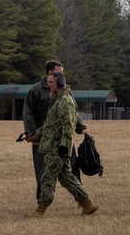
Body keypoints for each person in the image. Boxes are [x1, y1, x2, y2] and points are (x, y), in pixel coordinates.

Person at [31, 70, 99, 216]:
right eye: (48, 82)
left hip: (57, 148)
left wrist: (63, 145)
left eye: (51, 83)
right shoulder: (58, 99)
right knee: (66, 178)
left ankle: (41, 209)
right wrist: (36, 133)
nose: (49, 85)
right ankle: (87, 204)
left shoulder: (64, 101)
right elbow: (52, 123)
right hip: (54, 145)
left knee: (47, 178)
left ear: (60, 83)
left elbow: (68, 125)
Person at [22, 60, 89, 202]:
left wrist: (81, 128)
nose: (61, 76)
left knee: (71, 168)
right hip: (44, 138)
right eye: (58, 73)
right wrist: (32, 134)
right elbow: (28, 113)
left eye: (62, 73)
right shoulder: (36, 90)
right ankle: (42, 200)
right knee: (43, 170)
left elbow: (72, 112)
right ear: (50, 73)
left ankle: (83, 200)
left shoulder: (64, 91)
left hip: (63, 138)